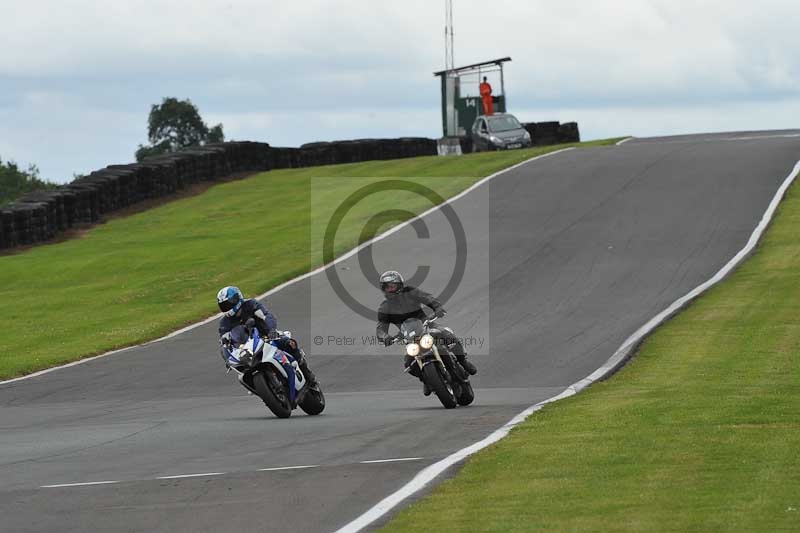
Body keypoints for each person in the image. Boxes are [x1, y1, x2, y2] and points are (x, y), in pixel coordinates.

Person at [375, 271, 477, 394]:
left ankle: (463, 362)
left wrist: (437, 307)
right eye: (387, 287)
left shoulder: (410, 292)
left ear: (400, 285)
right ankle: (427, 380)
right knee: (409, 363)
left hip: (426, 325)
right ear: (383, 289)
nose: (390, 289)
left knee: (445, 334)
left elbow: (427, 297)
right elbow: (381, 327)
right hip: (409, 336)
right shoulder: (384, 307)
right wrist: (385, 337)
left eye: (393, 286)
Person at [216, 286, 318, 385]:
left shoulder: (251, 304)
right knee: (243, 376)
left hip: (267, 337)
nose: (227, 307)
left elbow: (267, 316)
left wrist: (272, 330)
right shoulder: (224, 323)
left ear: (237, 298)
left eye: (228, 304)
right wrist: (228, 359)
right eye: (223, 306)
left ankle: (306, 372)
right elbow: (224, 342)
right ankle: (263, 391)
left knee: (290, 344)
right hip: (246, 350)